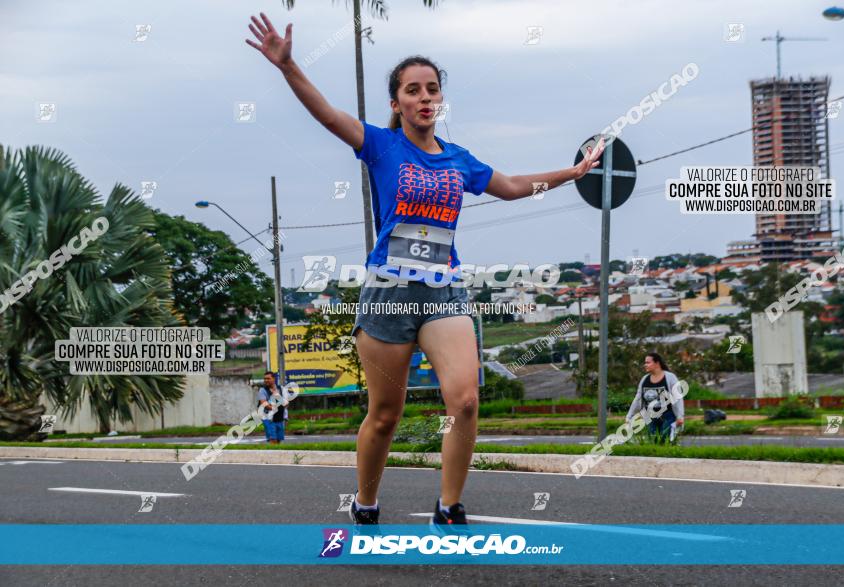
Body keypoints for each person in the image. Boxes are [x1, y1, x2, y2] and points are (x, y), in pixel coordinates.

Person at [245, 12, 605, 527]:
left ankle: (449, 505)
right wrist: (288, 67)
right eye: (412, 90)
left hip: (443, 292)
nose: (424, 97)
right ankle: (365, 502)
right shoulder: (381, 146)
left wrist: (571, 174)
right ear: (397, 103)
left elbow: (511, 185)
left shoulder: (459, 160)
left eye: (431, 89)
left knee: (466, 399)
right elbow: (326, 115)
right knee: (385, 416)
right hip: (389, 294)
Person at [625, 353, 685, 443]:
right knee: (652, 441)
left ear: (657, 363)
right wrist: (629, 416)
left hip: (667, 416)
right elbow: (638, 399)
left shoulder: (670, 377)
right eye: (645, 362)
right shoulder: (644, 379)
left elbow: (678, 398)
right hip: (650, 416)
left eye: (648, 362)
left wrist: (680, 416)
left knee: (665, 441)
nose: (645, 365)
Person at [257, 371, 288, 445]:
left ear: (274, 379)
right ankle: (272, 454)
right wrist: (278, 405)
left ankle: (277, 455)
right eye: (265, 379)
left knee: (279, 440)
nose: (266, 380)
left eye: (268, 378)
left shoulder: (281, 388)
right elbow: (265, 404)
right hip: (268, 418)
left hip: (280, 417)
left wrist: (277, 396)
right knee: (273, 439)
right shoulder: (262, 390)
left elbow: (286, 404)